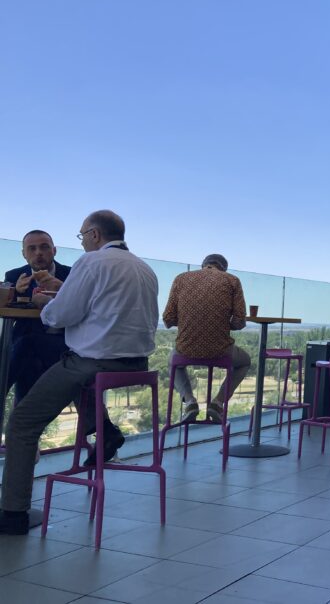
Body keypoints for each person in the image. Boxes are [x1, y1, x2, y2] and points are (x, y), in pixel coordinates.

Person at [0, 210, 159, 535]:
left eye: (82, 235)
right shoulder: (145, 268)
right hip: (138, 364)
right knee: (62, 364)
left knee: (22, 422)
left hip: (95, 362)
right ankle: (102, 430)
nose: (83, 241)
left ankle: (12, 514)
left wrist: (46, 308)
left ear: (95, 235)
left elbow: (61, 314)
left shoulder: (91, 263)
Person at [163, 254, 251, 423]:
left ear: (203, 265)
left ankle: (189, 401)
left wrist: (189, 320)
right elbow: (240, 321)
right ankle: (217, 403)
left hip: (185, 349)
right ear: (224, 268)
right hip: (220, 350)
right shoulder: (232, 280)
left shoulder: (181, 279)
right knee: (245, 361)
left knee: (172, 361)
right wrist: (221, 324)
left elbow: (168, 319)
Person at [3, 230, 72, 404]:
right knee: (26, 361)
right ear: (24, 254)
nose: (38, 253)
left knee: (25, 351)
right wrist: (15, 291)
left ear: (54, 251)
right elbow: (5, 302)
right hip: (25, 347)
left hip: (63, 344)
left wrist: (62, 289)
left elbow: (82, 306)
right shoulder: (14, 276)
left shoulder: (72, 275)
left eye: (44, 247)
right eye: (32, 249)